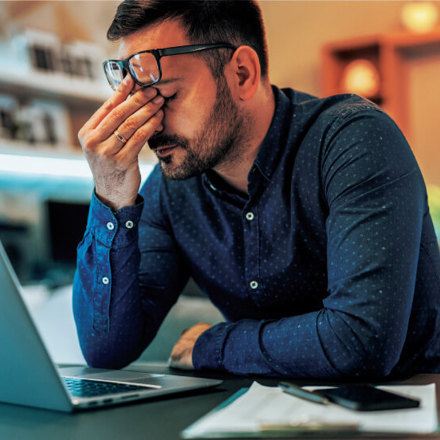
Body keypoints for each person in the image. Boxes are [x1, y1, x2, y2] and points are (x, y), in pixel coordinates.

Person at [73, 0, 440, 378]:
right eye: (137, 103)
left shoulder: (354, 141)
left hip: (408, 410)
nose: (149, 124)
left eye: (165, 96)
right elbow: (106, 349)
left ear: (243, 74)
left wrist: (213, 344)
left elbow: (361, 342)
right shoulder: (174, 188)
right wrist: (112, 191)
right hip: (263, 415)